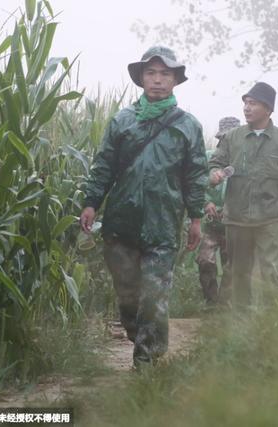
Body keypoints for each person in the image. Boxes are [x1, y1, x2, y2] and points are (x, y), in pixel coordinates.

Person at [79, 46, 207, 366]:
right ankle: (141, 336)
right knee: (127, 295)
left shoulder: (188, 125)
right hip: (122, 222)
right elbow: (104, 164)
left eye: (165, 74)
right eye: (151, 73)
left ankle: (146, 362)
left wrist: (196, 217)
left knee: (154, 292)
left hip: (163, 222)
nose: (158, 80)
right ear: (142, 79)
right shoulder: (123, 120)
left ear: (175, 80)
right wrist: (91, 202)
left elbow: (196, 175)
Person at [209, 82, 278, 307]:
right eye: (245, 103)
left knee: (271, 270)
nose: (247, 108)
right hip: (237, 218)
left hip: (269, 217)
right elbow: (215, 163)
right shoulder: (233, 137)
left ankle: (272, 322)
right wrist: (216, 173)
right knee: (239, 272)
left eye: (253, 104)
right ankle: (242, 323)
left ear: (268, 109)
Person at [196, 116, 240, 306]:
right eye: (224, 139)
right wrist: (206, 203)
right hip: (210, 224)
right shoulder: (206, 158)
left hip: (236, 224)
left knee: (233, 266)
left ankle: (224, 306)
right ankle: (211, 302)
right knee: (205, 261)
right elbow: (195, 185)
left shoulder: (244, 162)